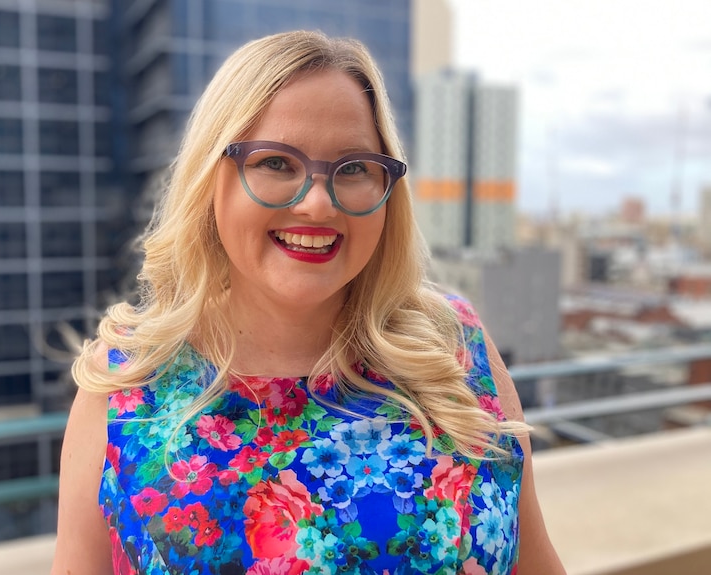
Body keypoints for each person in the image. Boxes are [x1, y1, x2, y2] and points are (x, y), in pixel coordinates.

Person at [51, 30, 565, 575]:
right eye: (276, 163)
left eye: (354, 169)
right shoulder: (127, 387)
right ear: (211, 177)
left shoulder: (455, 347)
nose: (318, 203)